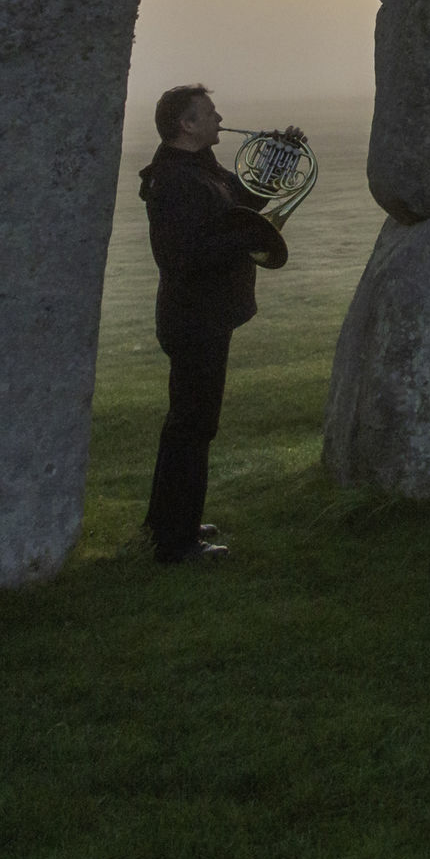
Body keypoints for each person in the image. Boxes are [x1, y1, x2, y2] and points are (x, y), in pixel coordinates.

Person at [139, 83, 287, 564]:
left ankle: (167, 522)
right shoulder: (177, 181)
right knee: (194, 425)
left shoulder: (198, 169)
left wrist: (276, 162)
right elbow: (184, 257)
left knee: (186, 423)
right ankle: (178, 543)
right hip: (194, 319)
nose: (220, 118)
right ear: (187, 124)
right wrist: (249, 240)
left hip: (203, 316)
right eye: (209, 113)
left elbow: (240, 205)